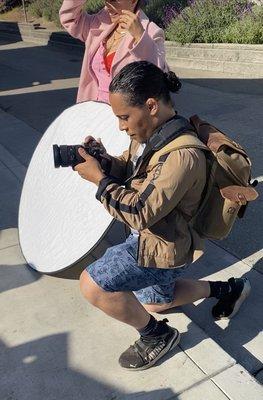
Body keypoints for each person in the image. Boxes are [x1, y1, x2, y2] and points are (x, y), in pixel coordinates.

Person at [74, 61, 251, 371]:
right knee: (155, 301)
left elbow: (140, 212)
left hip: (165, 244)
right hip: (160, 237)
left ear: (151, 106)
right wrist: (104, 163)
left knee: (92, 284)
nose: (121, 126)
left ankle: (157, 335)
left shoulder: (181, 155)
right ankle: (229, 289)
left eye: (124, 117)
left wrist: (100, 183)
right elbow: (132, 174)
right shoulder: (151, 135)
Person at [59, 0, 169, 103]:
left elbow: (159, 74)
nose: (108, 5)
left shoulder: (151, 32)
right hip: (91, 112)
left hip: (125, 118)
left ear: (133, 1)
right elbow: (69, 19)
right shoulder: (99, 22)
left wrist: (140, 37)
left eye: (113, 0)